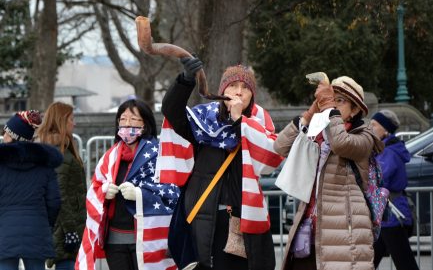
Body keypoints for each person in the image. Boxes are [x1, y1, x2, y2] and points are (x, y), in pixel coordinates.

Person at [158, 57, 283, 270]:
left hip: (240, 219)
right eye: (232, 85)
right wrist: (186, 80)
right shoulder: (202, 122)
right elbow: (172, 111)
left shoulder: (260, 127)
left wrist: (239, 122)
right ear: (222, 90)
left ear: (252, 95)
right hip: (202, 215)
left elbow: (269, 159)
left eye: (245, 87)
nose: (238, 92)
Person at [274, 76, 384, 270]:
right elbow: (280, 146)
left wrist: (329, 110)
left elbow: (341, 143)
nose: (331, 104)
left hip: (344, 234)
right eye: (329, 98)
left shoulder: (365, 135)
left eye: (339, 101)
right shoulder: (317, 132)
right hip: (308, 232)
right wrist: (309, 115)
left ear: (355, 109)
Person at [75, 99, 179, 270]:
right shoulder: (110, 156)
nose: (127, 124)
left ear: (145, 124)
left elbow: (171, 192)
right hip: (114, 242)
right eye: (122, 119)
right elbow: (94, 188)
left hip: (148, 240)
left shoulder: (159, 155)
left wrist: (140, 194)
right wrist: (104, 192)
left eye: (133, 119)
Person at [0, 110, 62, 270]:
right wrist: (45, 223)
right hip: (37, 230)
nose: (3, 136)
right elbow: (54, 201)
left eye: (5, 132)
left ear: (13, 136)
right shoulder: (45, 164)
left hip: (4, 231)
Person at [35, 102, 87, 270]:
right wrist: (71, 231)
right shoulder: (59, 152)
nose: (75, 123)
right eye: (72, 119)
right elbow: (60, 195)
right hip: (64, 228)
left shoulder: (56, 147)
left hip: (61, 226)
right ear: (62, 121)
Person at [370, 110, 419, 270]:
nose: (370, 128)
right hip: (385, 215)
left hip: (392, 215)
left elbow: (378, 179)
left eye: (374, 125)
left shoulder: (389, 152)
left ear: (386, 130)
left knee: (405, 264)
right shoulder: (384, 150)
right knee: (367, 262)